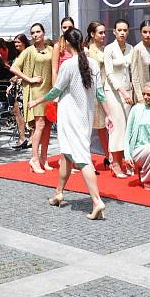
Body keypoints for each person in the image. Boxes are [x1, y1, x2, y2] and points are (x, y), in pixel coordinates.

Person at [27, 28, 112, 219]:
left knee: (82, 158)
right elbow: (100, 93)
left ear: (66, 44)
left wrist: (36, 101)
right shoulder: (93, 63)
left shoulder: (68, 65)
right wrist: (108, 114)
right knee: (66, 154)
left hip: (70, 117)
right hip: (85, 116)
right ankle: (58, 193)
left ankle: (97, 201)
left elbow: (55, 92)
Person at [10, 23, 53, 173]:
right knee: (39, 125)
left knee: (47, 125)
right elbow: (14, 67)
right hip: (36, 91)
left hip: (49, 91)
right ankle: (34, 158)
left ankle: (44, 158)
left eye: (38, 31)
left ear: (43, 32)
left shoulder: (51, 50)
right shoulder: (29, 51)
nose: (36, 35)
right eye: (33, 33)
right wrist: (29, 79)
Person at [103, 19, 134, 178]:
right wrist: (122, 91)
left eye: (125, 30)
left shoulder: (131, 48)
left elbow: (133, 72)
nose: (122, 32)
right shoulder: (109, 49)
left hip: (129, 92)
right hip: (114, 93)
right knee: (117, 127)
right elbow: (108, 74)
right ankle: (115, 163)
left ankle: (125, 161)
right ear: (114, 31)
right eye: (119, 30)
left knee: (127, 128)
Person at [86, 21, 110, 163]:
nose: (103, 35)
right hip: (92, 92)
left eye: (104, 32)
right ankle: (86, 158)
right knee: (89, 127)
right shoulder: (88, 51)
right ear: (92, 34)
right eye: (100, 32)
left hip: (106, 90)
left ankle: (108, 156)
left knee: (103, 127)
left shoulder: (105, 49)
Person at [6, 34, 30, 150]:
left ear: (24, 42)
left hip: (25, 86)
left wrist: (16, 78)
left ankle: (27, 137)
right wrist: (12, 83)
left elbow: (26, 72)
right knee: (17, 111)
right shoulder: (19, 55)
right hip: (17, 87)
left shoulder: (28, 54)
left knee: (25, 112)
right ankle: (22, 137)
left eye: (18, 42)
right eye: (15, 42)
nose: (16, 44)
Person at [131, 20, 150, 104]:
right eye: (145, 32)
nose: (147, 35)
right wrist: (140, 96)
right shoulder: (137, 49)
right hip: (144, 94)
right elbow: (134, 75)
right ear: (140, 32)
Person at [50, 16, 76, 83]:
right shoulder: (57, 46)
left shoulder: (78, 45)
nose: (67, 29)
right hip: (62, 82)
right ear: (61, 29)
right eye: (64, 27)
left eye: (70, 27)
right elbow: (54, 70)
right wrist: (54, 89)